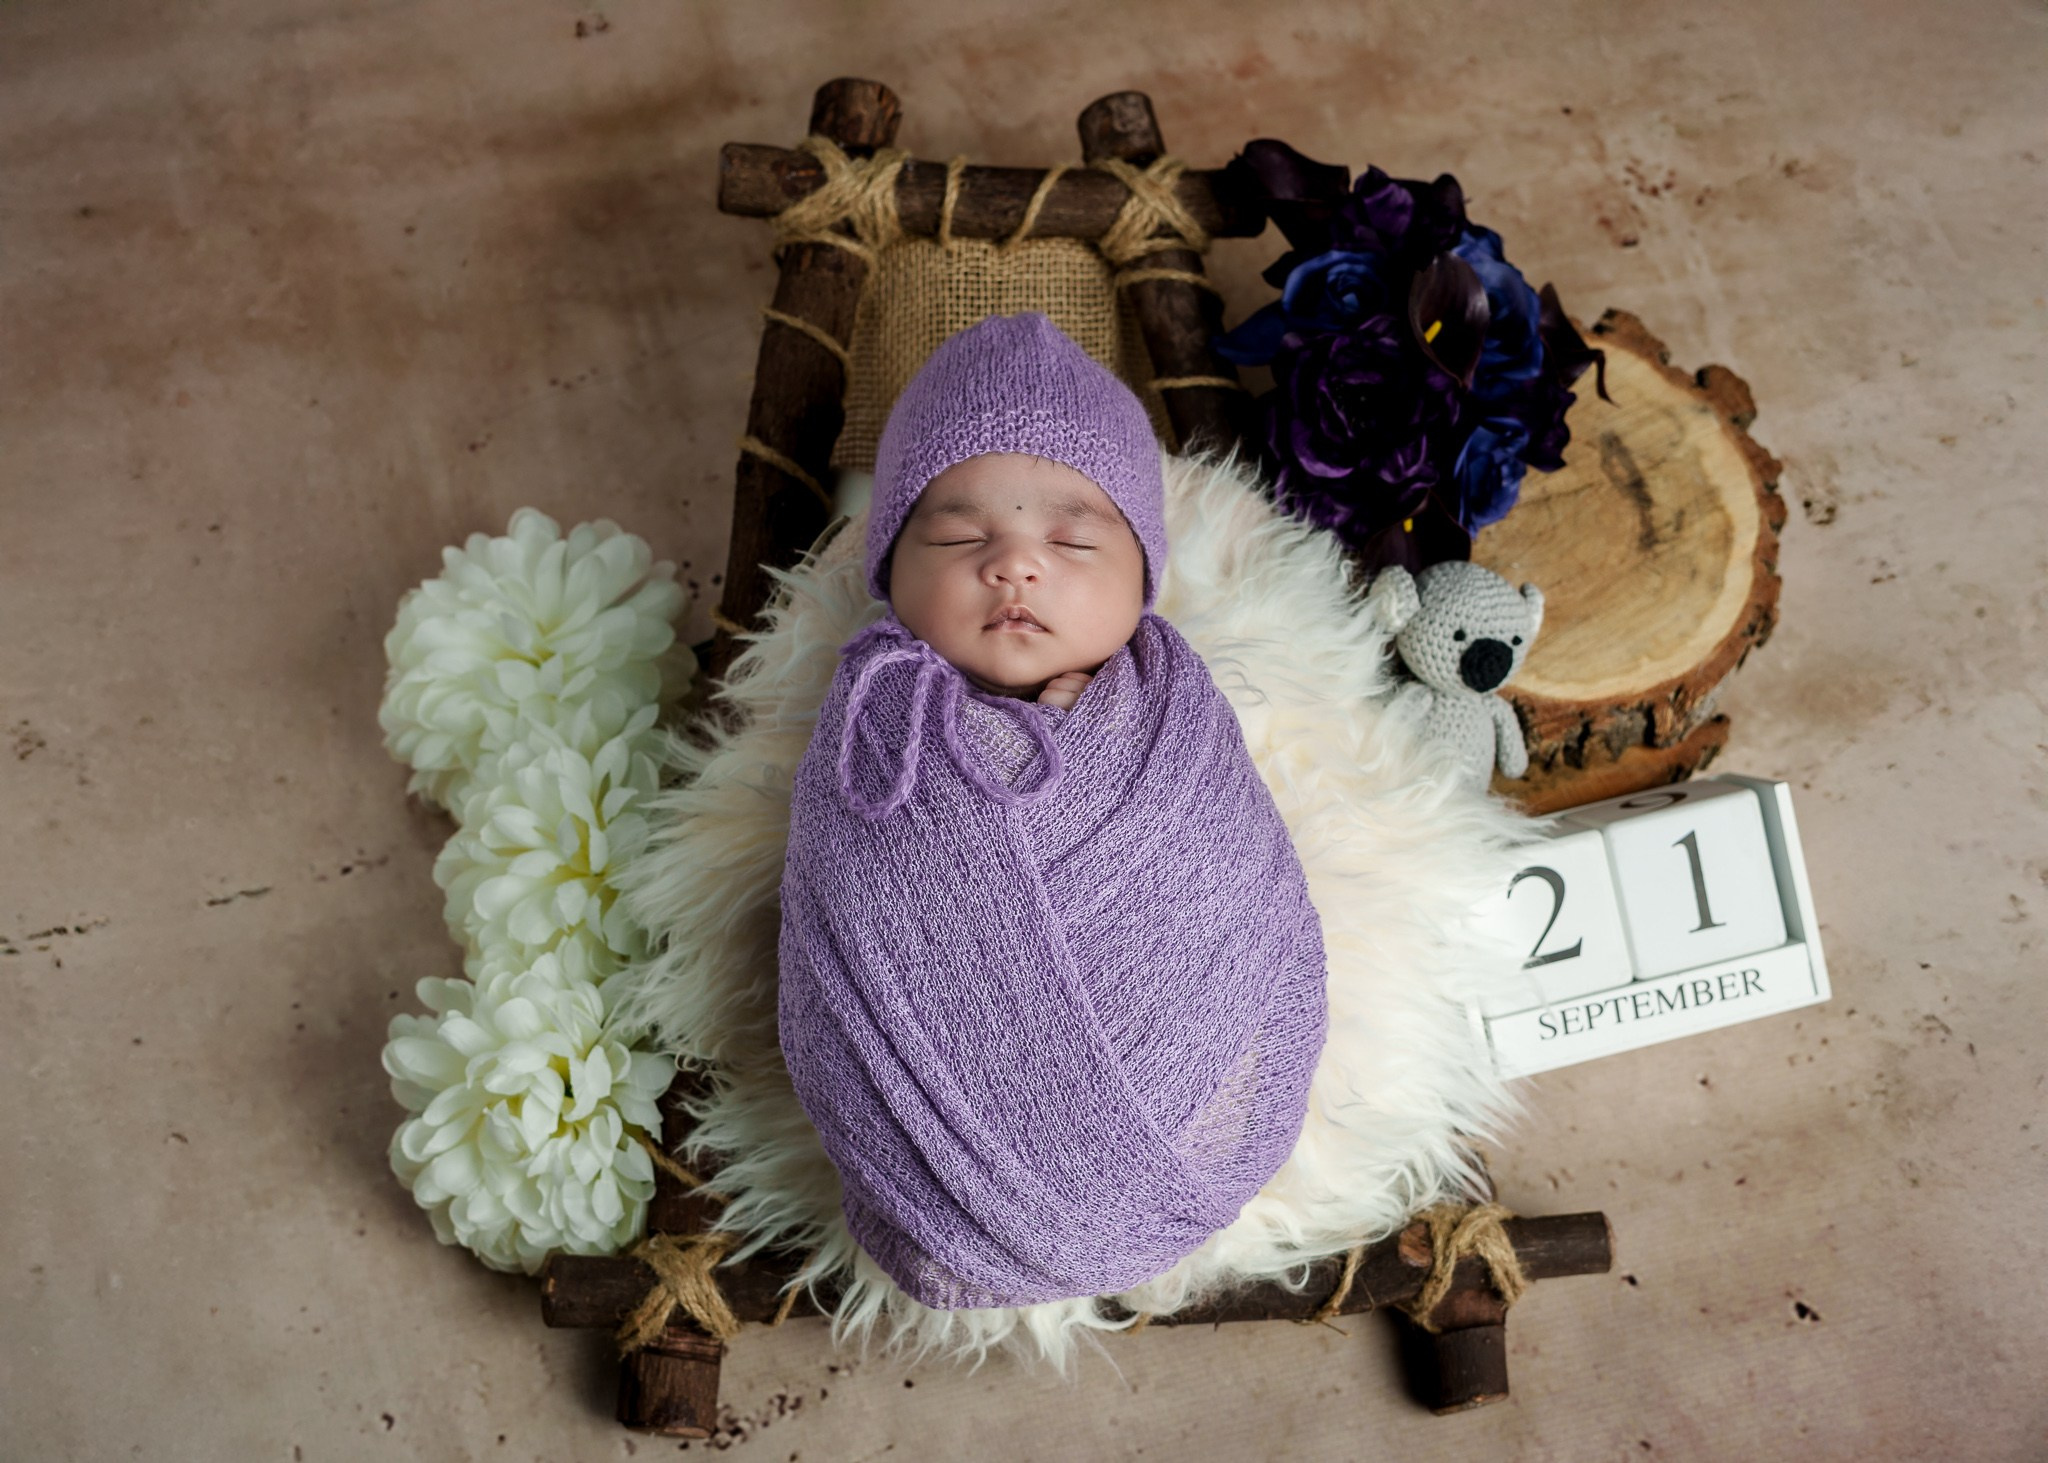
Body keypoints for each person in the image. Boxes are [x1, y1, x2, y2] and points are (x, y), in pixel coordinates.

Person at [777, 312, 1328, 1311]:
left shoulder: (1172, 715)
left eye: (1071, 536)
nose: (1014, 564)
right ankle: (972, 1212)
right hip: (937, 1185)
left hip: (1184, 1135)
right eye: (956, 533)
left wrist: (1098, 750)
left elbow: (1239, 884)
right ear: (889, 572)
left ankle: (1119, 1188)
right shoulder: (874, 727)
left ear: (1142, 578)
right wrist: (978, 752)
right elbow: (841, 907)